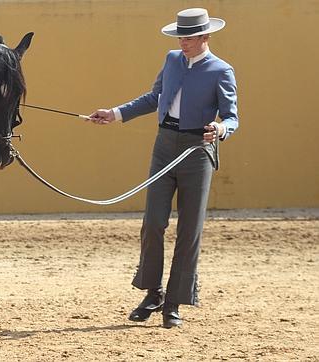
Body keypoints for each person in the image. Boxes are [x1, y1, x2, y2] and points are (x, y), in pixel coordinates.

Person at [88, 8, 238, 328]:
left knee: (189, 229)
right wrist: (114, 113)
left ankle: (174, 301)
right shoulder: (171, 60)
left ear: (205, 36)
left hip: (198, 150)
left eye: (189, 36)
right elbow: (154, 97)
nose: (183, 42)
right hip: (164, 145)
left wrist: (220, 129)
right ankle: (153, 292)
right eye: (180, 36)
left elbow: (232, 116)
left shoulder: (222, 70)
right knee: (153, 221)